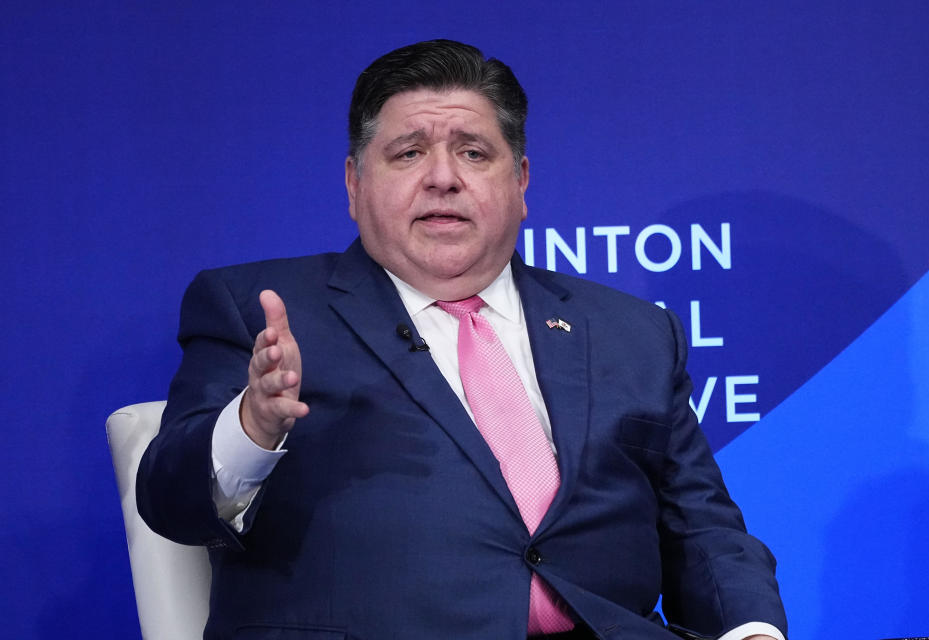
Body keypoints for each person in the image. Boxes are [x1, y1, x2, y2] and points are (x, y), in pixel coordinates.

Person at [137, 39, 787, 640]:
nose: (443, 177)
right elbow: (170, 502)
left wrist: (752, 632)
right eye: (409, 152)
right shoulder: (259, 308)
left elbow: (701, 526)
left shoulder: (634, 331)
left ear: (522, 181)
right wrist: (253, 425)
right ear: (354, 184)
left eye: (474, 152)